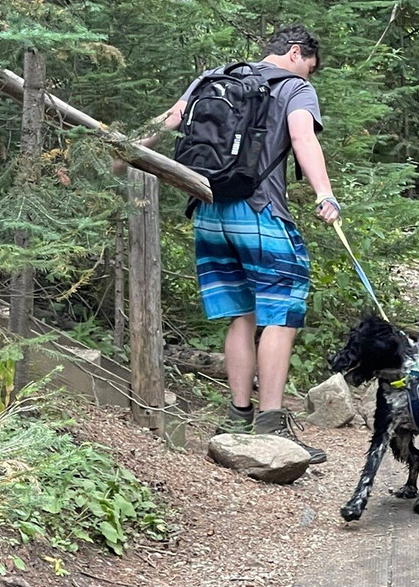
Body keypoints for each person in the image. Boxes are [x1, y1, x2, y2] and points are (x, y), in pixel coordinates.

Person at [143, 25, 339, 463]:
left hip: (208, 210)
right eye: (309, 69)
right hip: (258, 211)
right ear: (295, 53)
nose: (309, 79)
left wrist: (124, 147)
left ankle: (238, 416)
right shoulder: (293, 89)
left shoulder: (214, 77)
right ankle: (269, 423)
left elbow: (169, 118)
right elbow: (303, 138)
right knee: (282, 310)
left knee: (240, 316)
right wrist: (325, 194)